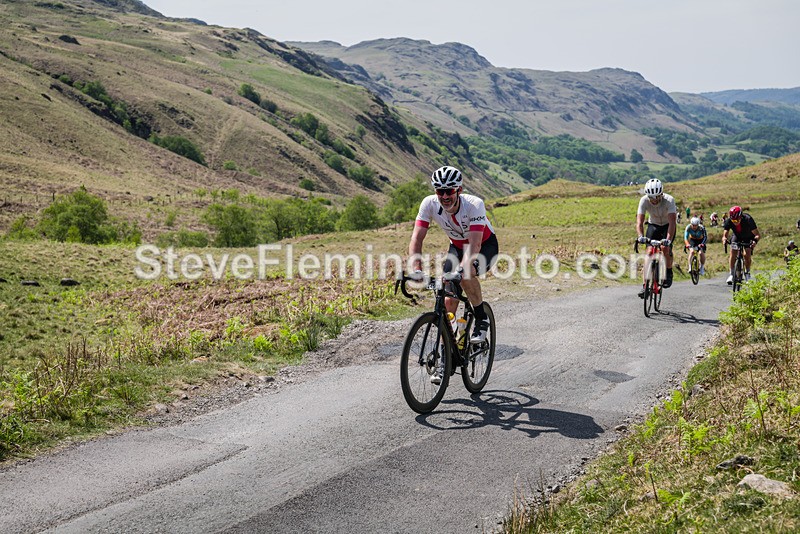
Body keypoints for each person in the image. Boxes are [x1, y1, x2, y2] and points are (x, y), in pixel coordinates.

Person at [408, 166, 499, 381]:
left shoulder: (474, 205)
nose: (445, 196)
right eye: (440, 191)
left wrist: (460, 271)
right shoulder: (429, 204)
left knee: (466, 275)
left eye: (450, 191)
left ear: (459, 190)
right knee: (447, 301)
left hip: (484, 246)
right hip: (457, 247)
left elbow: (475, 245)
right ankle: (445, 358)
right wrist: (415, 269)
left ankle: (481, 318)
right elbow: (417, 238)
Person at [636, 178, 677, 298]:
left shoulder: (669, 200)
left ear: (661, 194)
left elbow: (672, 223)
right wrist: (640, 236)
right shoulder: (643, 200)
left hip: (667, 226)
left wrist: (668, 240)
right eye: (651, 198)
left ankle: (668, 271)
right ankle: (645, 286)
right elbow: (639, 222)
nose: (654, 200)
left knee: (665, 248)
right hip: (653, 225)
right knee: (649, 253)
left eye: (657, 197)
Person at [722, 206, 761, 283]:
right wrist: (724, 240)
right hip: (737, 236)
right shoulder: (729, 221)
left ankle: (747, 273)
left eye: (736, 220)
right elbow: (725, 235)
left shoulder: (748, 219)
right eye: (733, 220)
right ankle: (732, 274)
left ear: (741, 217)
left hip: (748, 237)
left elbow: (757, 235)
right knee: (733, 252)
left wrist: (754, 241)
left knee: (747, 254)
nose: (735, 222)